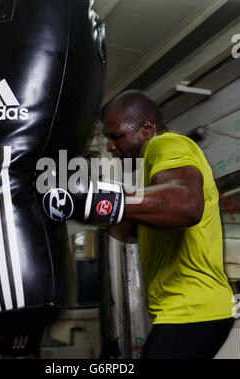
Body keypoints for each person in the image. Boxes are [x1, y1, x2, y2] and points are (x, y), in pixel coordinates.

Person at [101, 90, 235, 359]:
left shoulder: (167, 144)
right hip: (192, 311)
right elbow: (136, 231)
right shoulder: (153, 173)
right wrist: (91, 211)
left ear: (147, 128)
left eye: (117, 136)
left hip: (193, 309)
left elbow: (187, 205)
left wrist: (103, 200)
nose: (109, 146)